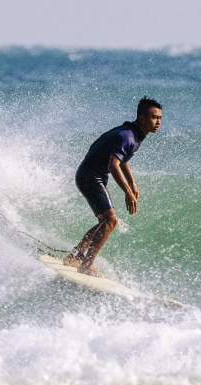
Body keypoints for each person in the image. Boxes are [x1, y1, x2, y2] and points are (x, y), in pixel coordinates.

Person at [64, 97, 162, 277]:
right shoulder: (128, 136)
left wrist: (132, 184)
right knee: (111, 221)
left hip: (92, 175)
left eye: (160, 118)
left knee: (105, 221)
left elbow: (122, 159)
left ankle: (74, 256)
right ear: (141, 117)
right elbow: (113, 165)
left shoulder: (135, 134)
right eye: (154, 117)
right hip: (90, 176)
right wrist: (127, 192)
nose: (158, 122)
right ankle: (86, 265)